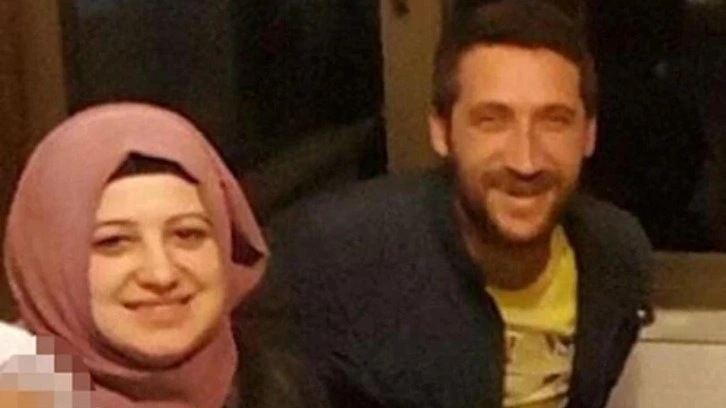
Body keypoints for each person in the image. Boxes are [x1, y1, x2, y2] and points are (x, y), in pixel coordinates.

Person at [268, 1, 652, 407]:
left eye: (554, 120)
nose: (525, 161)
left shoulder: (616, 255)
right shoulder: (337, 257)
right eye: (492, 120)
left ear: (589, 134)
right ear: (442, 132)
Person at [3, 103, 326, 408]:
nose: (162, 274)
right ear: (48, 268)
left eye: (187, 235)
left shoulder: (282, 388)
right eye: (114, 242)